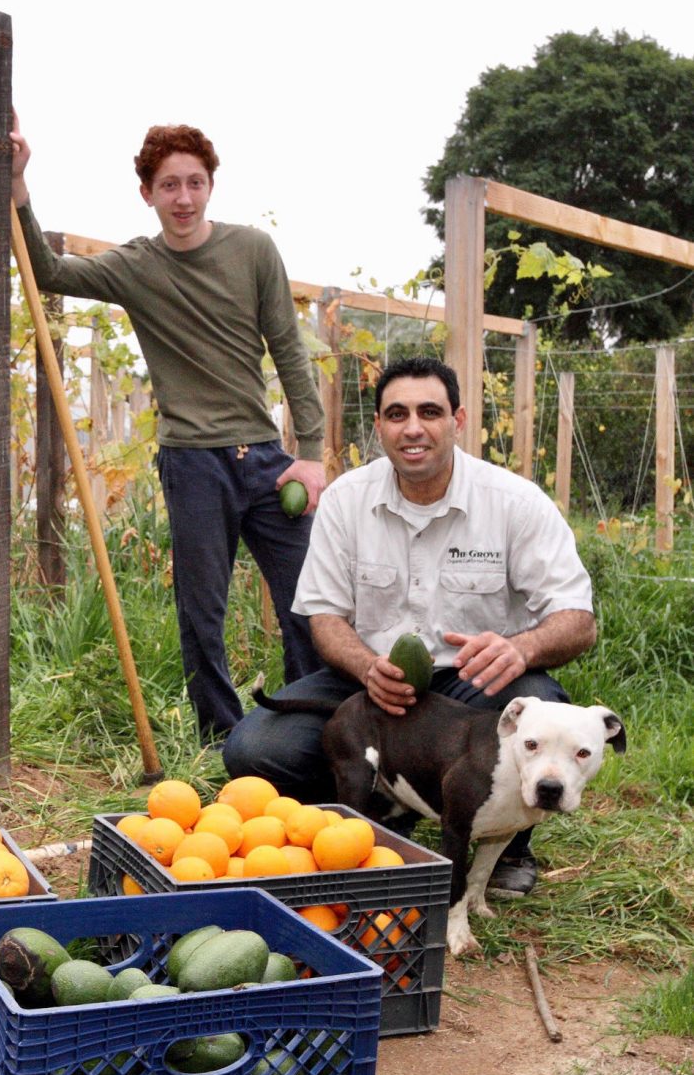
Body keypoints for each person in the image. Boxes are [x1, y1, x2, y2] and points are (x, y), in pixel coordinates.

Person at [223, 356, 597, 895]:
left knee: (535, 695)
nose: (413, 427)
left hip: (472, 685)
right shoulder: (348, 501)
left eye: (430, 412)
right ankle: (378, 810)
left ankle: (507, 839)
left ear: (458, 421)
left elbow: (577, 621)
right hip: (372, 684)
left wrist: (519, 648)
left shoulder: (515, 503)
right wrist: (364, 666)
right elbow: (324, 619)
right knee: (252, 749)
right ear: (378, 426)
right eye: (397, 414)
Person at [10, 119, 327, 744]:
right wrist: (19, 184)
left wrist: (311, 453)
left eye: (194, 183)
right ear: (147, 193)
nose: (183, 198)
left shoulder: (253, 250)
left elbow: (288, 349)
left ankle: (309, 730)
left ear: (211, 186)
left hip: (265, 461)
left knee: (307, 605)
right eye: (168, 185)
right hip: (193, 465)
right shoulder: (136, 266)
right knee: (201, 613)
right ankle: (223, 740)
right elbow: (48, 271)